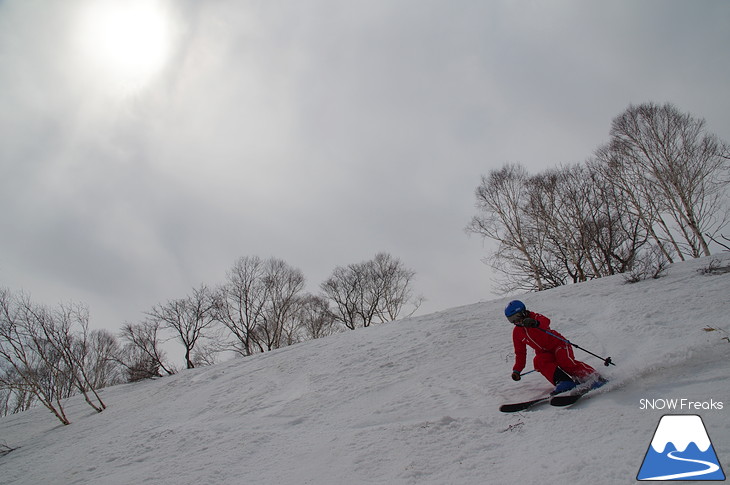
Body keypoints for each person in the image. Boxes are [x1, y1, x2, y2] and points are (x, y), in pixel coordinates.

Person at [505, 299, 604, 395]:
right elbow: (520, 353)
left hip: (559, 345)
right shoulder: (517, 332)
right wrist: (517, 370)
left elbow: (545, 321)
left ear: (522, 312)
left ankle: (593, 376)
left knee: (565, 362)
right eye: (511, 320)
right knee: (539, 362)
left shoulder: (535, 317)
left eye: (516, 318)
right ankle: (564, 382)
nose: (515, 322)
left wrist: (536, 323)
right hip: (544, 352)